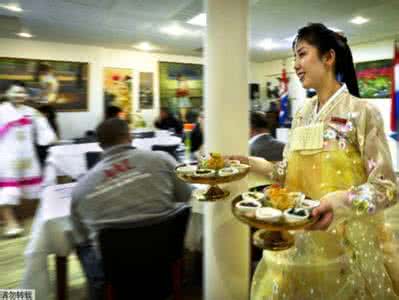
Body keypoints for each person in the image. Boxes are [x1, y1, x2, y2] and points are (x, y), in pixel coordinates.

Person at [231, 23, 399, 299]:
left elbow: (387, 188)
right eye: (295, 57)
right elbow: (286, 174)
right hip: (296, 239)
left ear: (329, 57)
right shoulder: (301, 114)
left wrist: (339, 202)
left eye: (302, 54)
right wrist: (250, 163)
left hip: (346, 248)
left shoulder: (362, 113)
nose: (296, 65)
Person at [70, 118, 192, 300]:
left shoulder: (81, 189)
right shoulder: (161, 159)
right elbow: (185, 194)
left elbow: (82, 237)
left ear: (100, 145)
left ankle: (100, 292)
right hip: (164, 257)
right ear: (130, 136)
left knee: (82, 247)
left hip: (118, 269)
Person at [0, 82, 56, 237]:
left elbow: (45, 131)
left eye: (22, 93)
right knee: (8, 190)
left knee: (27, 190)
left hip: (27, 156)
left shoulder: (32, 112)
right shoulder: (1, 111)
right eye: (16, 92)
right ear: (7, 93)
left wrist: (50, 138)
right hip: (6, 156)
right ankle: (10, 222)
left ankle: (19, 218)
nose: (19, 95)